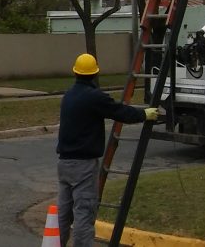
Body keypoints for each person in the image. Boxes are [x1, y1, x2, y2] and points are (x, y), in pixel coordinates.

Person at [56, 53, 157, 247]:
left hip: (64, 163)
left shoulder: (68, 96)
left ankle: (55, 244)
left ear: (76, 72)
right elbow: (120, 112)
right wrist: (144, 114)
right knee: (84, 214)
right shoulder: (94, 97)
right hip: (83, 166)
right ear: (95, 74)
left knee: (64, 214)